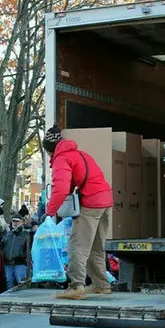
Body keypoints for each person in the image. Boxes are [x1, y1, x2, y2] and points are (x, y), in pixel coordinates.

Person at [43, 125, 114, 300]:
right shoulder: (80, 154)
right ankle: (101, 285)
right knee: (96, 246)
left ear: (50, 149)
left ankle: (76, 286)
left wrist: (50, 211)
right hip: (105, 200)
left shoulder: (62, 159)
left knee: (77, 246)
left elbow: (60, 188)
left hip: (91, 202)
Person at [2, 215, 30, 290]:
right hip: (7, 263)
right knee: (8, 282)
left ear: (22, 222)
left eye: (17, 221)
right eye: (13, 221)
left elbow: (28, 249)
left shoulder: (26, 234)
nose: (15, 223)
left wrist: (25, 259)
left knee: (21, 282)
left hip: (20, 263)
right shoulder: (8, 234)